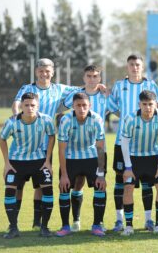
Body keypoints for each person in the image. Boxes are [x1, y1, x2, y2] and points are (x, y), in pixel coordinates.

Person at [12, 58, 77, 229]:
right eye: (41, 70)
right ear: (36, 72)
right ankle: (13, 223)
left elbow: (82, 90)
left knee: (40, 184)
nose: (44, 73)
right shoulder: (27, 88)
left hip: (45, 145)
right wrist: (16, 117)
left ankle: (36, 222)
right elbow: (17, 103)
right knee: (18, 186)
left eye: (47, 70)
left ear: (52, 72)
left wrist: (98, 87)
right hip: (23, 144)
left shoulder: (60, 89)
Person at [107, 54, 158, 232]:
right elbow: (113, 107)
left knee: (147, 182)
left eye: (138, 64)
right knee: (121, 181)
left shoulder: (150, 85)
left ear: (142, 66)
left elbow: (157, 107)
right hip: (122, 141)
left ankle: (148, 220)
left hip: (147, 143)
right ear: (127, 66)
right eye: (131, 64)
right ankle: (119, 220)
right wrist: (126, 119)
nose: (135, 67)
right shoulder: (119, 86)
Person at [0, 92, 55, 238]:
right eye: (26, 105)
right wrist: (7, 163)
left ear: (37, 106)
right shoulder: (12, 122)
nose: (30, 108)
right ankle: (13, 228)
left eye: (33, 105)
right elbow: (2, 139)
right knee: (10, 191)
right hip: (16, 163)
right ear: (21, 106)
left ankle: (44, 227)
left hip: (39, 161)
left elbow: (51, 136)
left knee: (48, 190)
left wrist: (48, 160)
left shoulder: (46, 120)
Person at [62, 65, 108, 232]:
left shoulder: (105, 96)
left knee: (99, 184)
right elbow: (62, 109)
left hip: (97, 150)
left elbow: (119, 110)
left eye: (95, 76)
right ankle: (75, 220)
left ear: (99, 78)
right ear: (84, 78)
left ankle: (98, 223)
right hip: (73, 151)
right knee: (77, 184)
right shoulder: (76, 96)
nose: (92, 79)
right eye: (88, 76)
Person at [120, 90, 158, 236]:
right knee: (128, 189)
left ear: (156, 104)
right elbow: (124, 144)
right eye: (144, 104)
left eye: (151, 104)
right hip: (134, 158)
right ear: (139, 105)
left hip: (154, 158)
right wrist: (128, 167)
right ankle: (128, 226)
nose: (148, 107)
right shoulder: (130, 119)